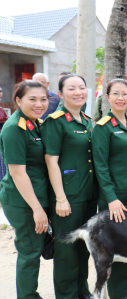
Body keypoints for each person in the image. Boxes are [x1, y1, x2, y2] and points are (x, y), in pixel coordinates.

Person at [42, 74, 96, 299]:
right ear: (61, 94)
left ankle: (81, 291)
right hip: (67, 196)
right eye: (71, 88)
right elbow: (50, 161)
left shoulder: (88, 120)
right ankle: (66, 295)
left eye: (82, 87)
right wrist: (61, 198)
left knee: (83, 247)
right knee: (66, 252)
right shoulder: (55, 122)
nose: (78, 92)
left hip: (88, 194)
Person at [91, 78, 127, 299]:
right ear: (107, 98)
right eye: (116, 94)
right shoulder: (103, 127)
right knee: (115, 243)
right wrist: (111, 198)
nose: (121, 98)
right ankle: (118, 292)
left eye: (125, 94)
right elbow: (100, 166)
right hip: (114, 196)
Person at [0, 80, 49, 299]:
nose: (39, 104)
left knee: (33, 249)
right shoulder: (14, 128)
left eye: (43, 99)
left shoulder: (33, 122)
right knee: (30, 252)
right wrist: (37, 209)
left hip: (34, 196)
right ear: (18, 101)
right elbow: (18, 173)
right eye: (32, 99)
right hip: (23, 201)